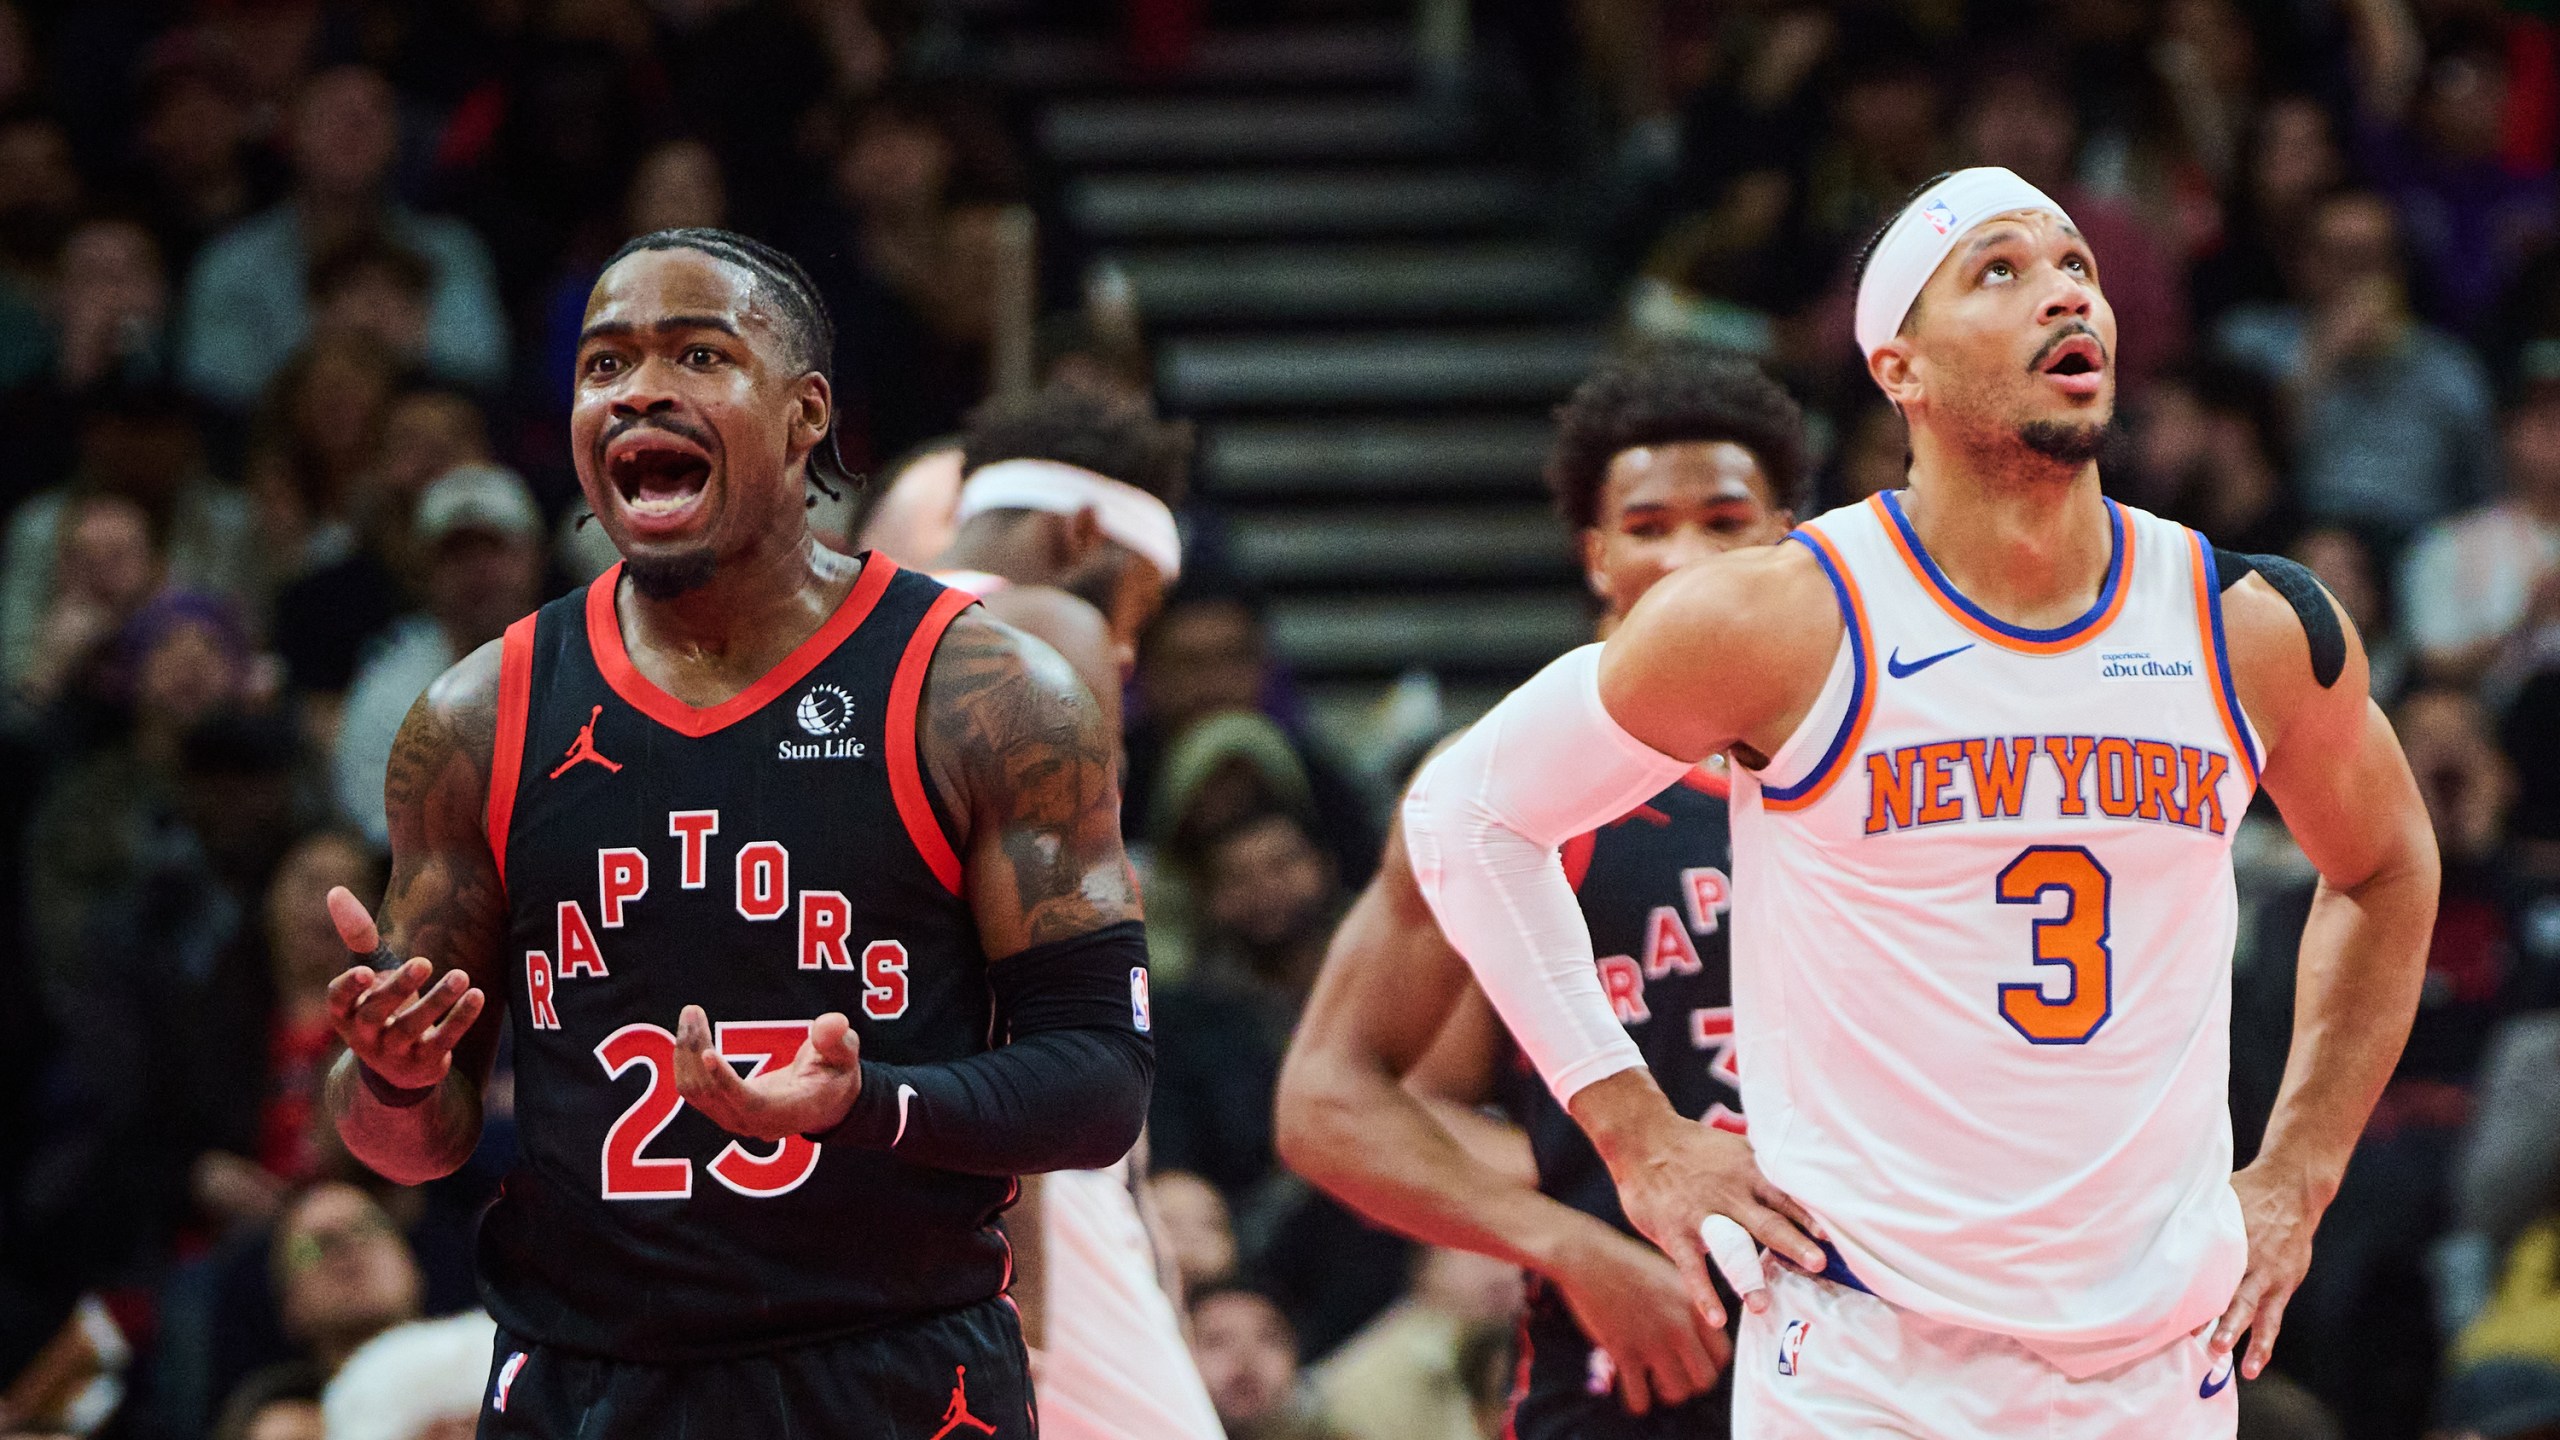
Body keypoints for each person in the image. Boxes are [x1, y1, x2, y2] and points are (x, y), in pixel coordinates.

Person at [1398, 167, 2440, 1436]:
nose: (2064, 291)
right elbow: (1467, 816)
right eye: (1997, 271)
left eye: (2075, 266)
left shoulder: (2247, 624)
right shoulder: (1782, 617)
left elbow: (2386, 867)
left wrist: (2300, 1174)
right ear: (1900, 366)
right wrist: (1633, 1130)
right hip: (1866, 1360)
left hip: (2155, 1365)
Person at [316, 227, 1151, 1437]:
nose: (639, 390)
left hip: (895, 1368)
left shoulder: (981, 694)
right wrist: (392, 1078)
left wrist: (871, 1102)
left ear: (807, 412)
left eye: (698, 355)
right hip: (589, 1378)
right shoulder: (477, 718)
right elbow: (411, 1144)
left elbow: (1099, 1088)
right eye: (604, 367)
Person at [1276, 344, 1802, 1436]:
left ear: (1788, 539)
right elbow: (1329, 1102)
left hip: (1887, 1335)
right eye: (1647, 527)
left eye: (1724, 519)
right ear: (1595, 553)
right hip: (1643, 1358)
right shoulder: (1504, 795)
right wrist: (1569, 1234)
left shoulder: (1877, 766)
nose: (1685, 557)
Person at [921, 383, 1222, 1440]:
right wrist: (1027, 1279)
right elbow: (1015, 983)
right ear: (1084, 533)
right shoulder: (1047, 623)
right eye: (1139, 601)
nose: (1129, 651)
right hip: (1002, 1155)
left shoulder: (850, 628)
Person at [177, 64, 507, 409]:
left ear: (396, 138)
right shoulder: (232, 260)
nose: (352, 129)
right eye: (333, 114)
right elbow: (211, 381)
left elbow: (485, 358)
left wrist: (410, 337)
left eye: (370, 117)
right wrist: (328, 349)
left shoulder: (449, 247)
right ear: (292, 132)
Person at [331, 464, 544, 847]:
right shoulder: (389, 690)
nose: (478, 572)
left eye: (493, 549)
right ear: (424, 571)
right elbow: (376, 831)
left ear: (533, 557)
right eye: (456, 555)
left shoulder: (587, 658)